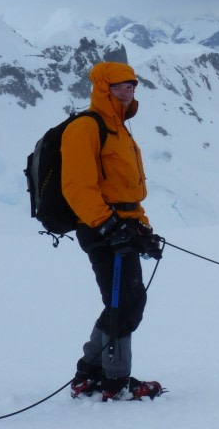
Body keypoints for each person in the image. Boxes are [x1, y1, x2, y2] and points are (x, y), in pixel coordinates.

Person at [64, 62, 164, 401]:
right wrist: (107, 225)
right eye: (120, 86)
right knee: (123, 301)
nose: (128, 92)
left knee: (127, 300)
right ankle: (114, 379)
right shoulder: (86, 127)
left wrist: (144, 230)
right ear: (104, 88)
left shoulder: (121, 129)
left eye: (132, 86)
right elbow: (77, 186)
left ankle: (90, 372)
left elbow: (129, 192)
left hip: (124, 225)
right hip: (99, 227)